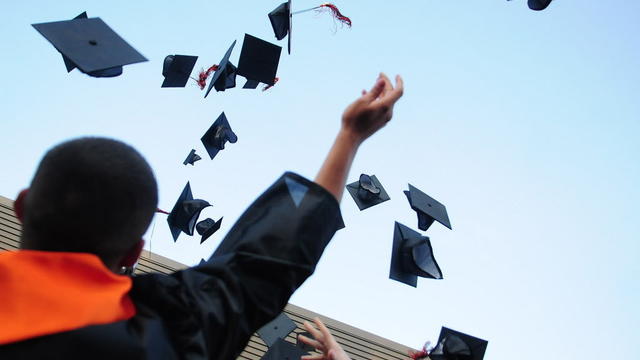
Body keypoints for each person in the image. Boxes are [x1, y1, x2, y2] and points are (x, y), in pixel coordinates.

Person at [0, 74, 403, 359]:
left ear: (21, 206)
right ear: (134, 250)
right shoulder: (168, 330)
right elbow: (266, 264)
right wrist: (350, 135)